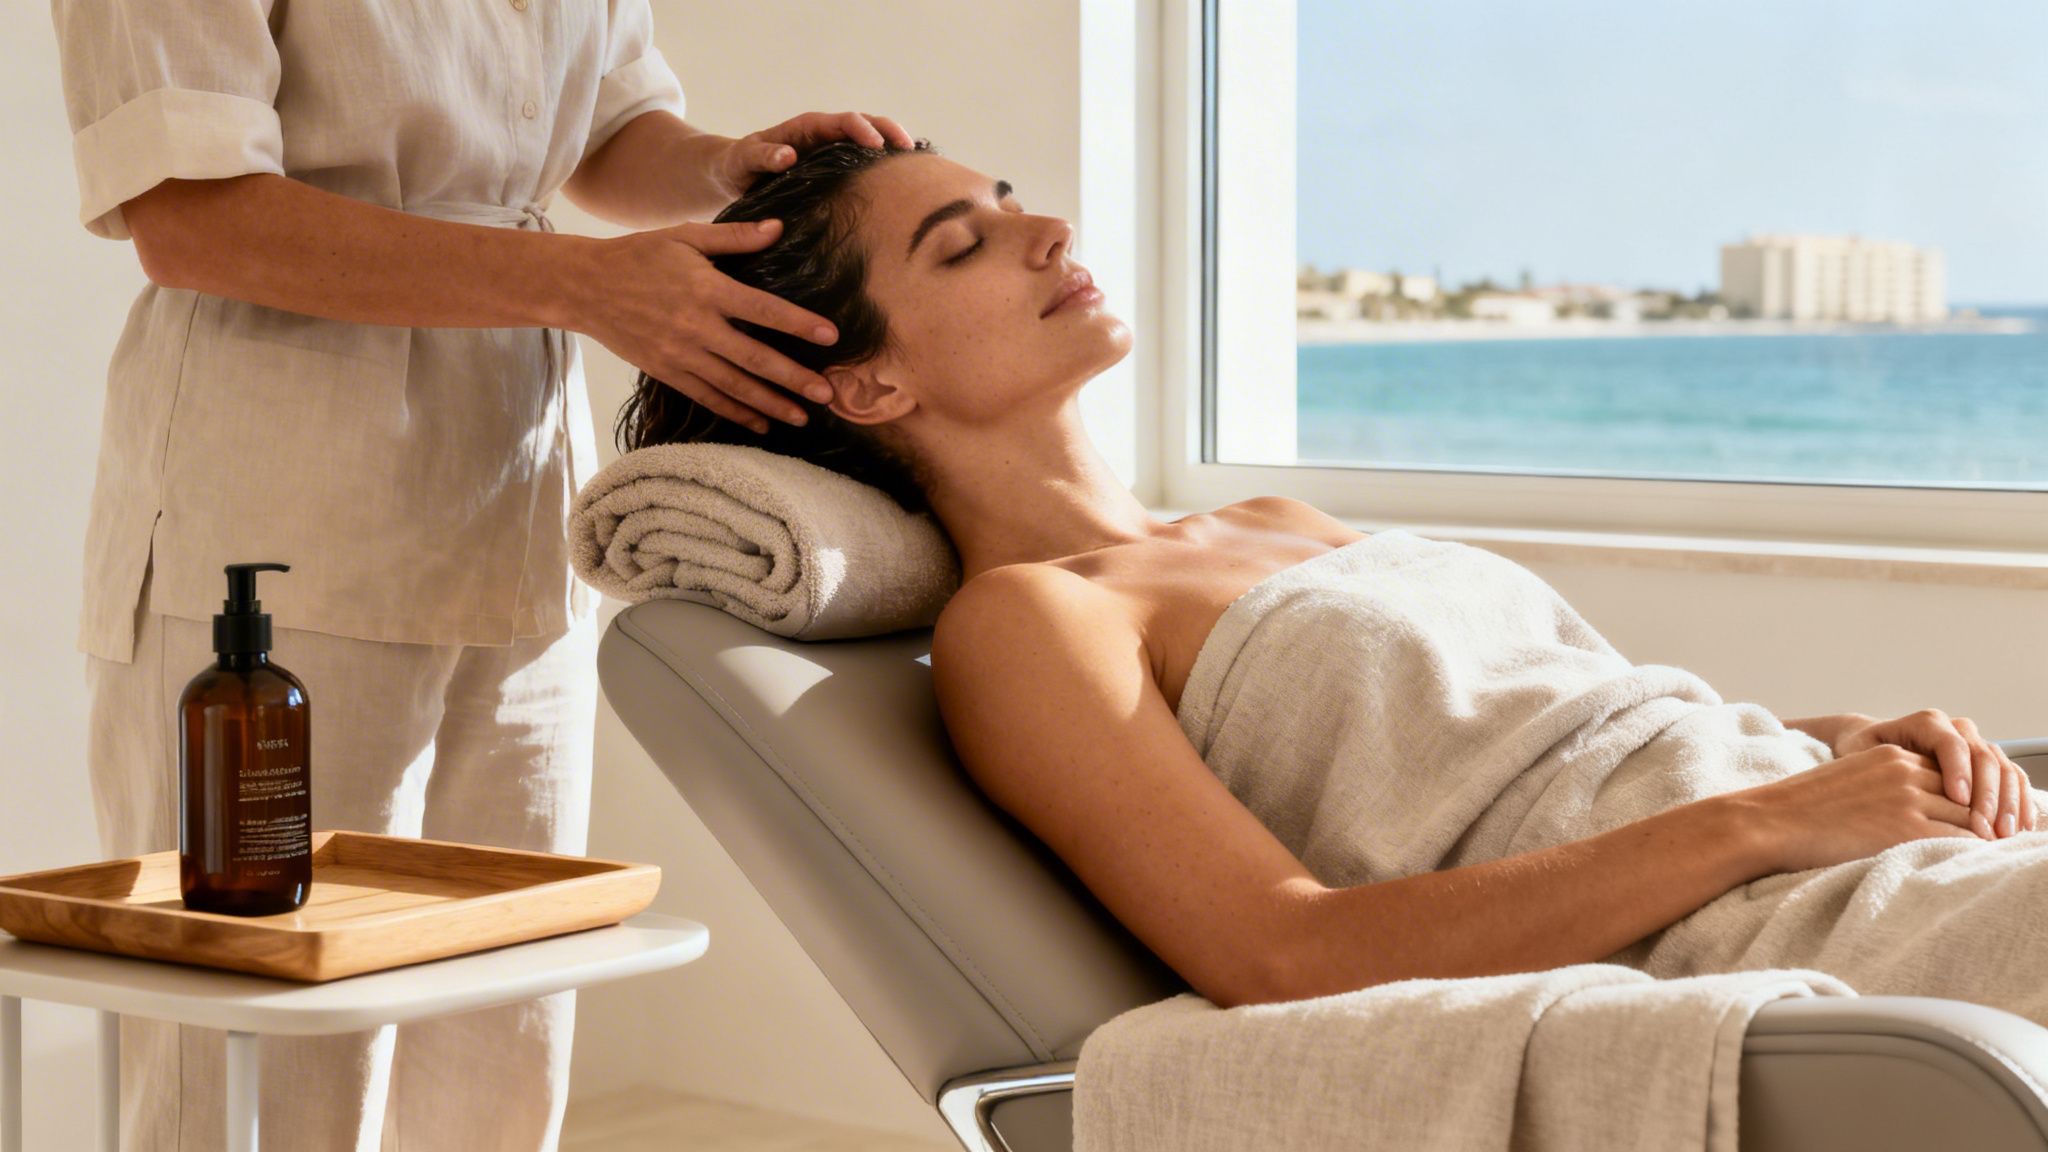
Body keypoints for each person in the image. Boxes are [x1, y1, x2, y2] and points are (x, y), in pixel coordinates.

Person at [618, 141, 2045, 1020]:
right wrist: (1764, 822)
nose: (1047, 229)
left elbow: (1546, 734)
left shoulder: (1273, 515)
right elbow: (1282, 958)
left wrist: (1833, 746)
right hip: (1743, 931)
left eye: (1006, 199)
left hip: (1857, 848)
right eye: (963, 244)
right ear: (866, 379)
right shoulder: (1038, 617)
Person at [52, 3, 910, 1148]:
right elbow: (188, 216)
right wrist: (580, 284)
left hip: (514, 513)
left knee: (498, 1035)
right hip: (283, 513)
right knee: (268, 1049)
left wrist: (715, 165)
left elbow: (603, 127)